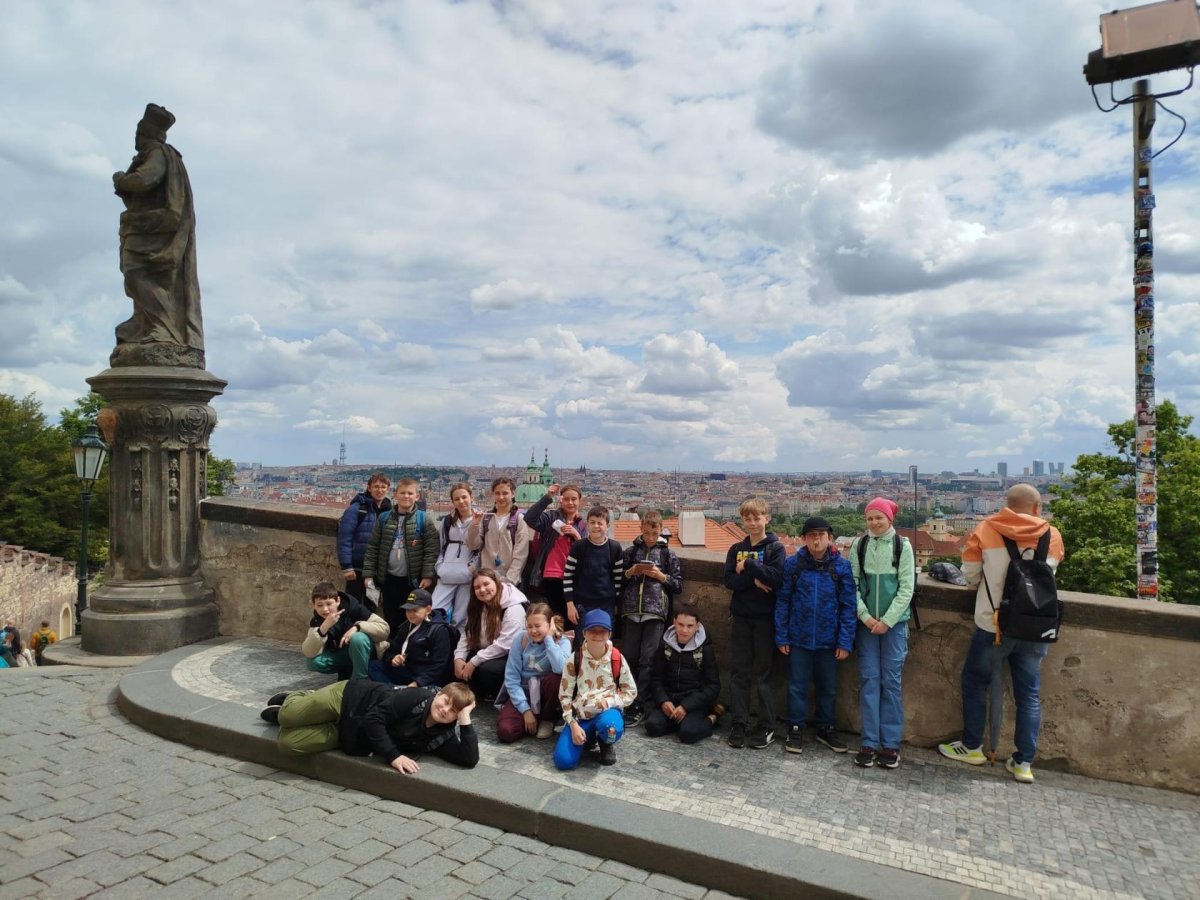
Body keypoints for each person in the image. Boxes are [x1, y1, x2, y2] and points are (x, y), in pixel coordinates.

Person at [938, 484, 1065, 784]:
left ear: (1006, 505)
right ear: (1037, 507)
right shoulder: (1052, 535)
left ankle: (972, 747)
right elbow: (1049, 576)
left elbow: (970, 576)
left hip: (993, 624)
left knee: (974, 683)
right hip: (1035, 625)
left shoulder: (986, 529)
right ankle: (1023, 762)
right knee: (1029, 695)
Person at [111, 103, 204, 358]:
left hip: (155, 228)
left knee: (136, 272)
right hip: (148, 226)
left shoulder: (157, 153)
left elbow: (145, 180)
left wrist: (121, 179)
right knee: (144, 276)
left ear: (146, 133)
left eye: (139, 132)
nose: (136, 138)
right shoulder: (158, 153)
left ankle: (163, 328)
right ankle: (148, 323)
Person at [262, 680, 478, 773]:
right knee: (287, 717)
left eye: (453, 711)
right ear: (438, 694)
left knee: (287, 744)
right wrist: (394, 756)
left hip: (349, 734)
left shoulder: (441, 736)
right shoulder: (416, 697)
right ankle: (297, 697)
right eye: (445, 701)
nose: (445, 710)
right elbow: (374, 719)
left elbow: (469, 759)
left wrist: (465, 719)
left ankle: (311, 717)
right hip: (349, 699)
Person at [776, 517, 857, 756]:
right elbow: (783, 601)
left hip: (829, 639)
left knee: (828, 688)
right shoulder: (793, 565)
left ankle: (826, 727)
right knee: (797, 686)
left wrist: (845, 641)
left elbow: (849, 606)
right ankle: (795, 728)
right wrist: (782, 636)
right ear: (804, 539)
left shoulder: (841, 566)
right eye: (812, 535)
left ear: (830, 538)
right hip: (798, 637)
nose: (816, 539)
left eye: (821, 535)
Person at [849, 498, 915, 769]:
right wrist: (865, 616)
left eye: (879, 517)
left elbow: (907, 588)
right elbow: (851, 584)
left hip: (894, 626)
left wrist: (887, 621)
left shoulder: (902, 546)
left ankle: (890, 744)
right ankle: (869, 741)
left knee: (891, 682)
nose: (874, 522)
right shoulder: (859, 545)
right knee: (869, 680)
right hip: (866, 625)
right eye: (870, 518)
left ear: (890, 519)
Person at [723, 498, 786, 750]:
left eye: (756, 518)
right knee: (739, 672)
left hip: (765, 619)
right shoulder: (735, 548)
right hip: (741, 616)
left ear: (766, 519)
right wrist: (754, 580)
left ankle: (766, 725)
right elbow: (729, 580)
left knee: (763, 674)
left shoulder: (776, 548)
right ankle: (739, 722)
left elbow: (776, 579)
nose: (752, 523)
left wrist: (748, 565)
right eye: (747, 518)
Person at [619, 509, 682, 727]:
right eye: (646, 533)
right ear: (641, 529)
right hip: (631, 611)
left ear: (660, 530)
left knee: (648, 659)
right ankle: (627, 699)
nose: (650, 537)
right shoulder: (630, 552)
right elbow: (617, 578)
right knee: (629, 657)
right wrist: (631, 572)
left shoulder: (668, 555)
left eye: (654, 533)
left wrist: (660, 576)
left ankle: (640, 703)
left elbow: (678, 585)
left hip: (655, 612)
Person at [554, 609, 637, 770]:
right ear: (584, 633)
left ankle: (605, 742)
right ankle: (588, 736)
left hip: (607, 713)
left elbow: (630, 691)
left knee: (611, 727)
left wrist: (608, 702)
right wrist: (572, 724)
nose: (598, 635)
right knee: (563, 761)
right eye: (592, 630)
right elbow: (564, 696)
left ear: (609, 634)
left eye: (603, 631)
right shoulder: (575, 659)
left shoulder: (616, 658)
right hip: (581, 716)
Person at [362, 478, 440, 629]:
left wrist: (427, 575)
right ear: (395, 495)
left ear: (417, 496)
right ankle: (393, 643)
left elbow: (431, 550)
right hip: (388, 578)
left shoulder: (424, 519)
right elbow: (373, 547)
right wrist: (369, 574)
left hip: (413, 580)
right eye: (402, 493)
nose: (406, 496)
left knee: (412, 617)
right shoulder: (384, 518)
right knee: (390, 615)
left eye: (410, 493)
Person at [645, 604, 722, 744]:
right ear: (674, 622)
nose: (684, 630)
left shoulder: (704, 649)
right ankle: (680, 722)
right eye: (680, 625)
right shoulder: (665, 644)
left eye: (690, 626)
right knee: (652, 726)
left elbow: (713, 686)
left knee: (688, 734)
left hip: (694, 702)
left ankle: (713, 717)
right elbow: (656, 678)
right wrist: (663, 700)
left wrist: (687, 706)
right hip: (670, 699)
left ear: (697, 626)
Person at [497, 603, 571, 743]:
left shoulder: (562, 641)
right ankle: (530, 718)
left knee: (557, 679)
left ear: (550, 624)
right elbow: (511, 678)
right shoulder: (521, 639)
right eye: (529, 626)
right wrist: (525, 710)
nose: (533, 631)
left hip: (546, 693)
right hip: (524, 692)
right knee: (506, 732)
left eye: (538, 626)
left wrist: (549, 639)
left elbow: (561, 669)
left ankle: (547, 718)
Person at [453, 570, 528, 703]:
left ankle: (493, 694)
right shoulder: (477, 605)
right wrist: (459, 658)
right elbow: (467, 633)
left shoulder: (513, 608)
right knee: (454, 661)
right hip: (484, 651)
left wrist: (474, 661)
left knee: (488, 670)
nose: (482, 590)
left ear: (497, 583)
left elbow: (505, 645)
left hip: (508, 656)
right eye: (477, 587)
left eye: (486, 584)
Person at [302, 582, 389, 681]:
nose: (325, 609)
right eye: (319, 605)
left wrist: (357, 627)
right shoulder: (316, 620)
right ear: (314, 605)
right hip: (344, 654)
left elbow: (384, 629)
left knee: (358, 638)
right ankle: (347, 671)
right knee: (312, 662)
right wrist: (323, 628)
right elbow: (308, 652)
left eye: (329, 604)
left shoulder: (353, 607)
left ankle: (360, 680)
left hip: (367, 652)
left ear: (337, 601)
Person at [523, 483, 585, 620]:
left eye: (574, 499)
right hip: (552, 575)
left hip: (573, 576)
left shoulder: (582, 525)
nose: (570, 502)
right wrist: (548, 497)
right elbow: (529, 519)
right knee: (556, 616)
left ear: (580, 501)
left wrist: (576, 534)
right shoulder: (551, 517)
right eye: (566, 499)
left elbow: (586, 552)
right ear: (560, 500)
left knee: (572, 618)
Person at [369, 589, 453, 688]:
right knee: (373, 666)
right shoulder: (406, 626)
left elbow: (440, 665)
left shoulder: (440, 630)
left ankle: (400, 692)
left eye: (415, 610)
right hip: (407, 671)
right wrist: (393, 659)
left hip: (427, 677)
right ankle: (394, 691)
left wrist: (418, 683)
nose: (410, 614)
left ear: (428, 610)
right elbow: (390, 651)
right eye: (408, 610)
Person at [562, 505, 623, 631]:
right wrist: (570, 604)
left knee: (605, 639)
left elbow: (618, 579)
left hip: (607, 605)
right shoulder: (579, 547)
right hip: (582, 604)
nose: (596, 526)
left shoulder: (615, 548)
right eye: (592, 522)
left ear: (607, 526)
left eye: (600, 523)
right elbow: (568, 576)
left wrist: (615, 603)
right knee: (583, 639)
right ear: (587, 525)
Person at [336, 473, 392, 605]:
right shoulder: (357, 508)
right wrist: (347, 567)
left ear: (388, 489)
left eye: (383, 487)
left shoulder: (389, 510)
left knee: (371, 606)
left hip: (376, 568)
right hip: (357, 567)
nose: (380, 490)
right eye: (376, 486)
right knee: (352, 605)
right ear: (369, 487)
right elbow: (344, 538)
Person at [466, 477, 532, 588]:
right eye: (497, 493)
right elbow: (473, 545)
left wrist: (509, 581)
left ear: (513, 494)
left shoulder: (519, 519)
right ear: (493, 494)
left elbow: (520, 555)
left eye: (505, 493)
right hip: (486, 579)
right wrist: (474, 525)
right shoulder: (486, 518)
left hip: (509, 583)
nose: (501, 497)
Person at [431, 482, 480, 625]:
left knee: (461, 617)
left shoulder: (481, 519)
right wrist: (440, 567)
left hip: (467, 576)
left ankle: (458, 640)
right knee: (435, 611)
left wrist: (472, 568)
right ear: (453, 502)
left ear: (471, 497)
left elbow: (482, 548)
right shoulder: (447, 521)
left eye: (464, 497)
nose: (461, 501)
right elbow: (441, 546)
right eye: (457, 499)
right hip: (446, 573)